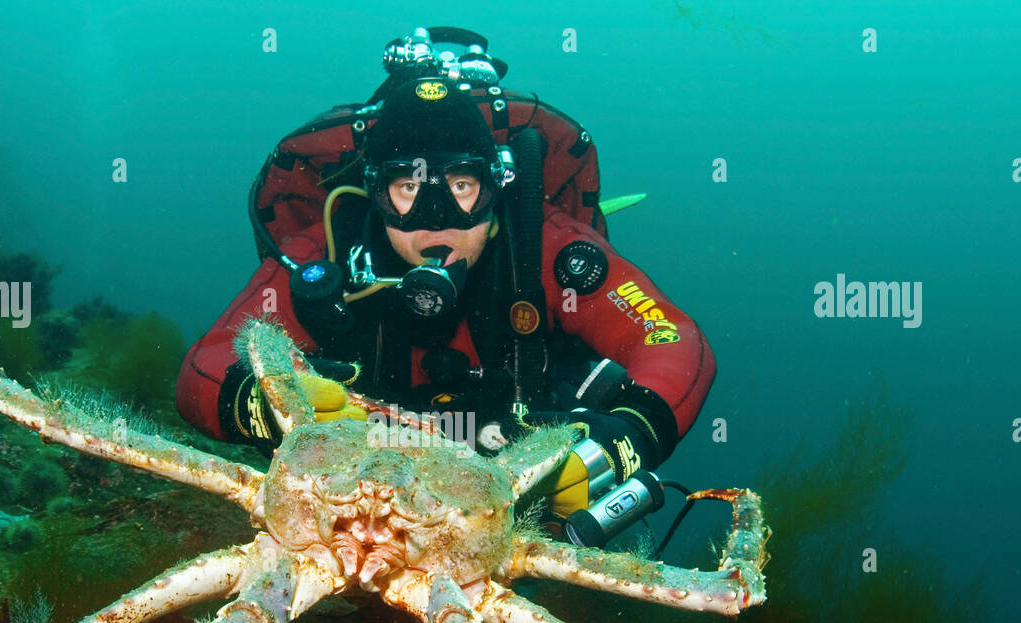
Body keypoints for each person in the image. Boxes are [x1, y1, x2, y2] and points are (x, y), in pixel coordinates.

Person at [176, 75, 715, 542]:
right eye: (407, 186)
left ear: (495, 188)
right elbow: (207, 365)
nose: (436, 218)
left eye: (461, 185)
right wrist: (272, 404)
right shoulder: (322, 257)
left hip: (514, 505)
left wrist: (625, 438)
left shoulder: (547, 249)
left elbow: (672, 340)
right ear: (374, 194)